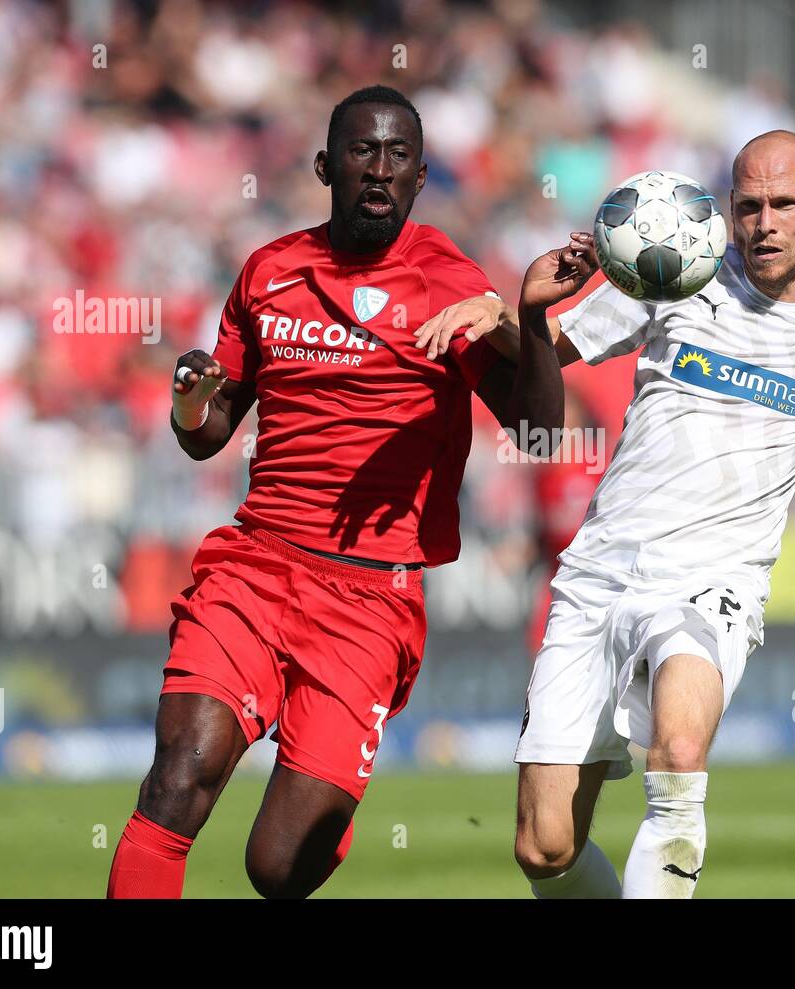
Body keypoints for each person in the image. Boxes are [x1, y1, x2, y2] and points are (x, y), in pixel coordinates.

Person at [417, 130, 795, 898]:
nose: (764, 221)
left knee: (678, 748)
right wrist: (509, 313)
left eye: (785, 203)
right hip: (599, 575)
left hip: (712, 583)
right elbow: (553, 348)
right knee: (545, 847)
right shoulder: (673, 274)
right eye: (749, 205)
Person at [107, 85, 588, 899]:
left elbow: (538, 428)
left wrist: (528, 320)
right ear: (326, 165)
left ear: (422, 176)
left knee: (277, 867)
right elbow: (211, 430)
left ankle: (324, 792)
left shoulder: (448, 280)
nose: (379, 169)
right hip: (254, 569)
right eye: (363, 151)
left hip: (369, 602)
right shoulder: (270, 270)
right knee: (176, 778)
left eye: (398, 155)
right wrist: (192, 396)